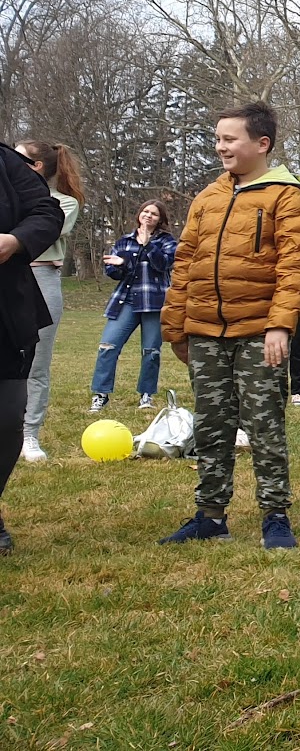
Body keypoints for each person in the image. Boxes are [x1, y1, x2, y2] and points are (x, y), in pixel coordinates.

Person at [157, 102, 300, 550]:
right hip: (205, 332)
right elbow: (185, 261)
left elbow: (296, 264)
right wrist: (177, 327)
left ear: (261, 144)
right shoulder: (208, 198)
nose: (220, 146)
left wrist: (280, 326)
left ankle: (275, 515)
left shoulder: (288, 196)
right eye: (218, 138)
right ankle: (210, 515)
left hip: (258, 333)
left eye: (229, 139)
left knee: (265, 423)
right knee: (210, 424)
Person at [0, 143, 72, 553]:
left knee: (8, 416)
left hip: (5, 313)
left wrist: (14, 240)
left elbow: (48, 212)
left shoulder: (7, 161)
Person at [14, 141, 81, 462]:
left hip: (42, 281)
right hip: (9, 279)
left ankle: (29, 435)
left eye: (18, 156)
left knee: (36, 365)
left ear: (37, 166)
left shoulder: (63, 204)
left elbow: (41, 231)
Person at [87, 200, 178, 415]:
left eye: (154, 214)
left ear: (160, 219)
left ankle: (146, 395)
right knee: (108, 346)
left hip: (154, 303)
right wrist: (118, 266)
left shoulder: (167, 241)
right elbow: (114, 273)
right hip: (126, 301)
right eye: (145, 211)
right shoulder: (124, 241)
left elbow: (164, 264)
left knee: (151, 352)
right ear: (139, 214)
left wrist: (148, 245)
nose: (148, 216)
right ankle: (100, 395)